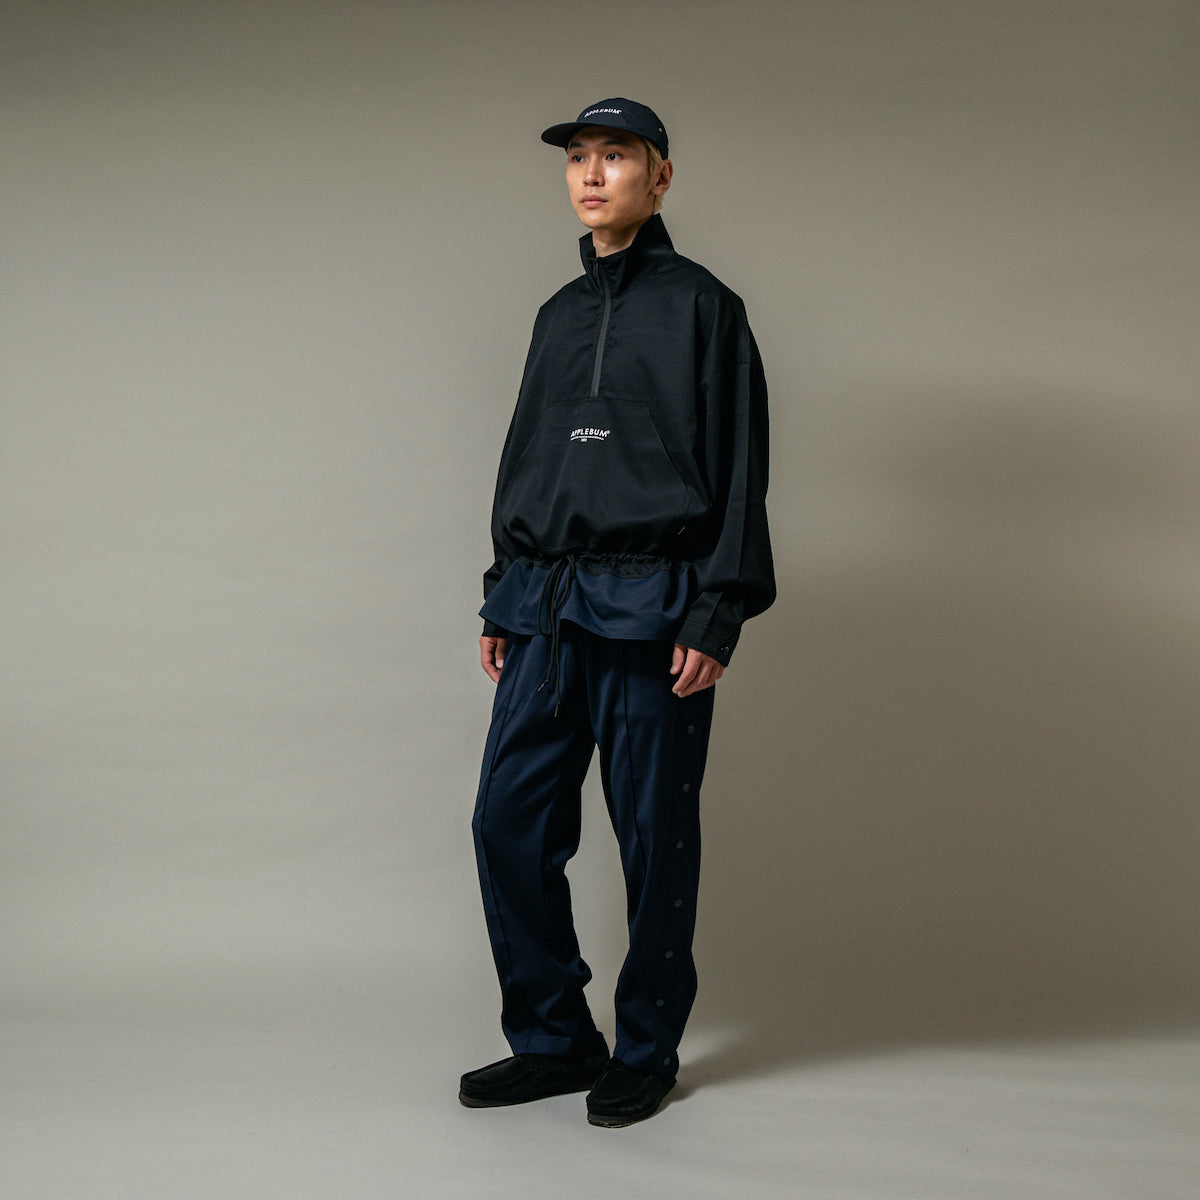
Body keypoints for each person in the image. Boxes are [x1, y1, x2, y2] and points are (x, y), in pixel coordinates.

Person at [460, 98, 775, 1128]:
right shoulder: (557, 314)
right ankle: (554, 1039)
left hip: (654, 606)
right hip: (546, 606)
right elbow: (526, 457)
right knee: (507, 823)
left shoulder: (705, 307)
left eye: (616, 156)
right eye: (579, 159)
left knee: (653, 839)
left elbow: (739, 470)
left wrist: (714, 614)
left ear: (660, 177)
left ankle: (645, 1049)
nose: (592, 175)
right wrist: (504, 590)